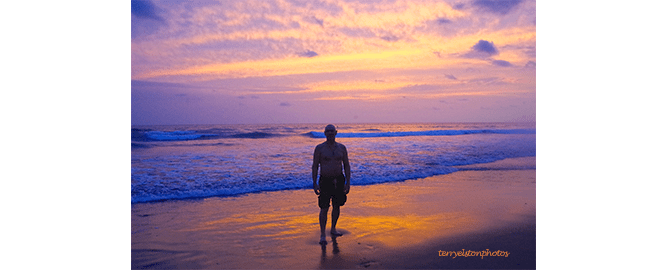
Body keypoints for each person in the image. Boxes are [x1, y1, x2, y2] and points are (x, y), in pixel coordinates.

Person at [312, 124, 351, 245]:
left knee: (337, 206)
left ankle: (333, 228)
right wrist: (314, 182)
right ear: (324, 133)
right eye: (327, 131)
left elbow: (346, 165)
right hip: (325, 180)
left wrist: (348, 182)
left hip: (339, 179)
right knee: (324, 208)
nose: (330, 133)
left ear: (336, 132)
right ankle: (323, 234)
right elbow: (315, 166)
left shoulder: (342, 148)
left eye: (332, 131)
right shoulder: (319, 148)